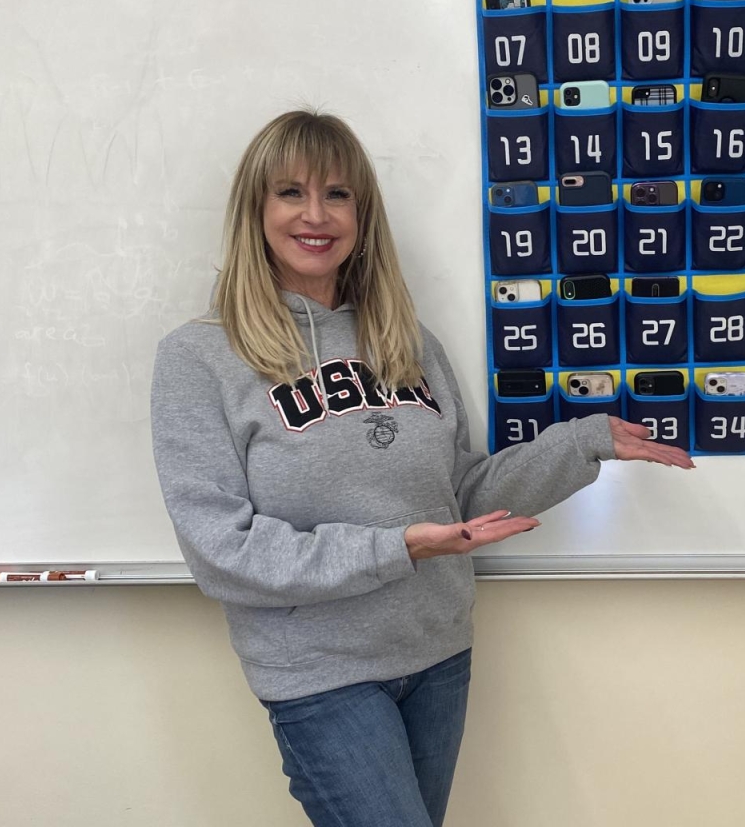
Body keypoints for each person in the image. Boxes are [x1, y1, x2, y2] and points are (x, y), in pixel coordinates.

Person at [150, 109, 693, 827]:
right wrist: (397, 548)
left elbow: (461, 497)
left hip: (438, 654)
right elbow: (224, 553)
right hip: (322, 676)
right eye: (291, 192)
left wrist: (579, 444)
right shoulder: (200, 359)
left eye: (338, 194)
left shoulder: (406, 338)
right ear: (255, 208)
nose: (316, 215)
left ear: (363, 211)